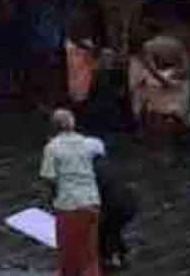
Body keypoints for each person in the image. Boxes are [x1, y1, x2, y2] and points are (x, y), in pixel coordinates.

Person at [39, 109, 104, 276]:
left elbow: (49, 178)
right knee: (90, 251)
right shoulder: (88, 143)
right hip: (92, 201)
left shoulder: (52, 148)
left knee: (69, 252)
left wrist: (51, 198)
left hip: (69, 205)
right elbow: (100, 149)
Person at [93, 153, 137, 270]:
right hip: (128, 205)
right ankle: (119, 253)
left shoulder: (92, 170)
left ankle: (110, 258)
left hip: (115, 207)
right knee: (113, 229)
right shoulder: (109, 165)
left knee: (102, 230)